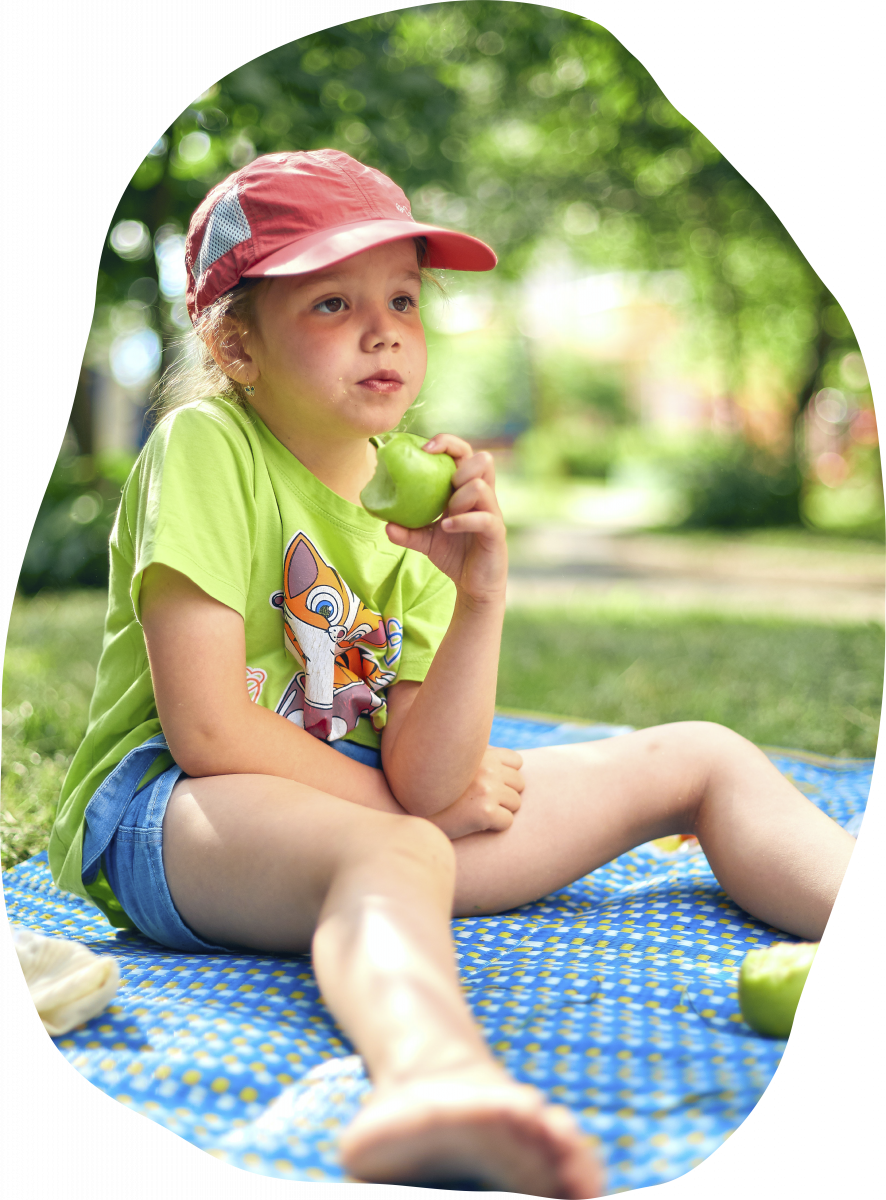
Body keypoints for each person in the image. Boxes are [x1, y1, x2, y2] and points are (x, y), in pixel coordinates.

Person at [50, 150, 855, 1198]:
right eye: (332, 301)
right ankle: (432, 1082)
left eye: (401, 298)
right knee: (391, 846)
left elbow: (436, 781)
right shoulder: (208, 445)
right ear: (234, 344)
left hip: (384, 820)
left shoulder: (424, 508)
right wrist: (408, 810)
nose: (382, 327)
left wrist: (479, 594)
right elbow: (209, 729)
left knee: (699, 755)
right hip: (181, 814)